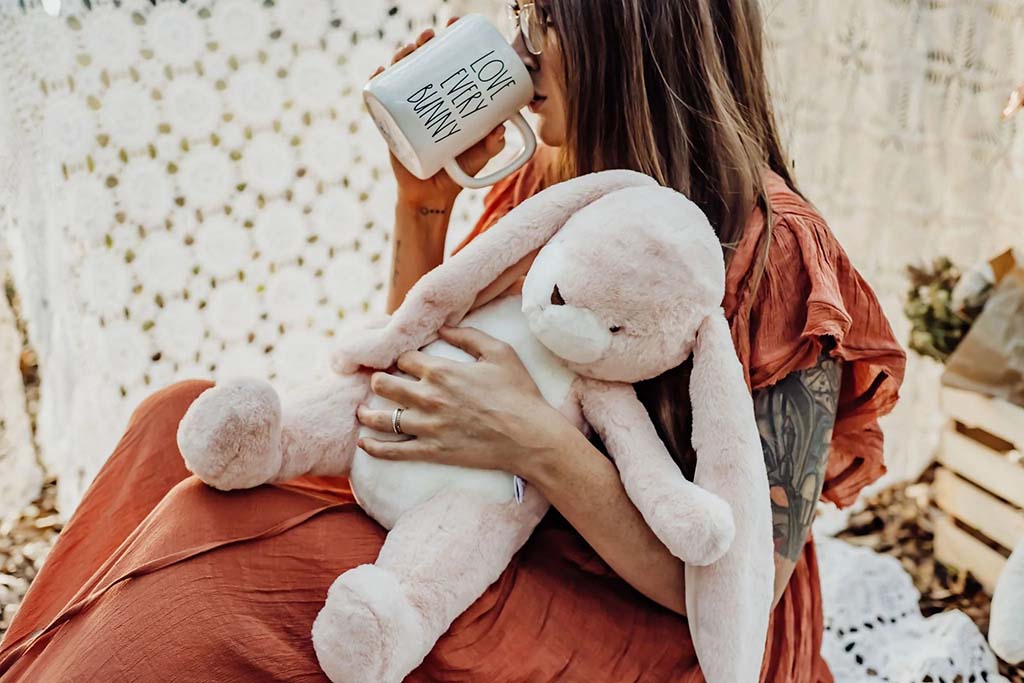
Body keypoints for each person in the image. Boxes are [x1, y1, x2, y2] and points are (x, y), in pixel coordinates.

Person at [0, 1, 905, 681]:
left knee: (233, 556)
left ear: (631, 40)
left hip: (657, 617)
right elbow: (428, 370)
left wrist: (537, 444)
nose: (522, 48)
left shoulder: (771, 245)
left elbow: (741, 584)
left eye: (544, 20)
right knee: (173, 420)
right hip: (498, 511)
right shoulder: (559, 174)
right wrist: (421, 200)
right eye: (520, 16)